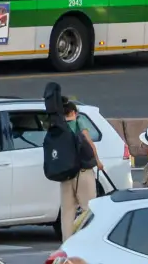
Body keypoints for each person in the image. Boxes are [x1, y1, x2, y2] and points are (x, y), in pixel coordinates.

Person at [54, 98, 99, 235]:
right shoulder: (79, 122)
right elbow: (89, 143)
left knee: (67, 212)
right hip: (82, 171)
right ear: (73, 112)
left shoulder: (57, 127)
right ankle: (88, 240)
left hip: (65, 173)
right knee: (88, 209)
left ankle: (67, 244)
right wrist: (98, 161)